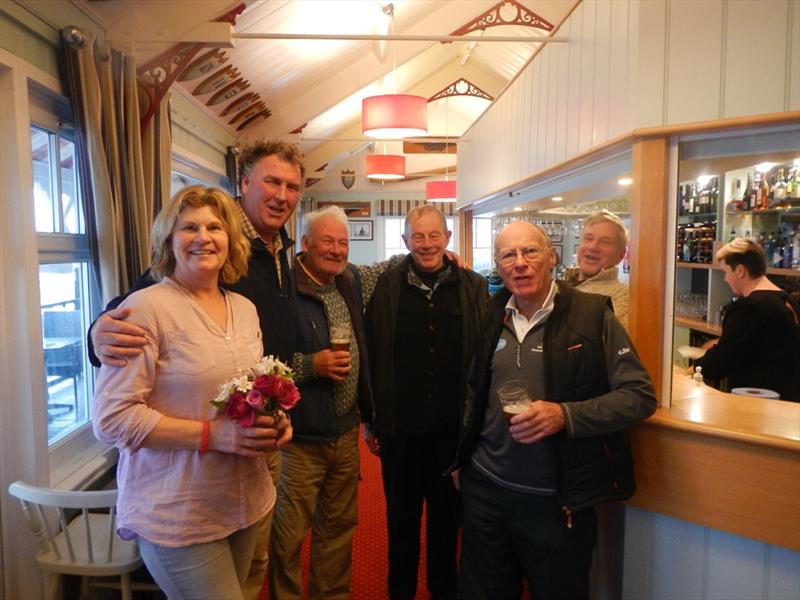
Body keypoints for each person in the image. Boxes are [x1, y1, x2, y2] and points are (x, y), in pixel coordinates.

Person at [88, 140, 304, 600]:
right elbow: (111, 419)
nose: (204, 236)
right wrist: (95, 331)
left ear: (230, 240)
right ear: (168, 239)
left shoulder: (245, 306)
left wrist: (275, 418)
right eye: (189, 227)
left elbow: (254, 384)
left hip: (247, 493)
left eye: (213, 227)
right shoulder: (146, 308)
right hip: (179, 510)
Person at [452, 220, 656, 600]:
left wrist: (565, 415)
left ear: (551, 257)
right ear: (498, 265)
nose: (520, 263)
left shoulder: (592, 316)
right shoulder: (489, 315)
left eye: (529, 252)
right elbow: (471, 392)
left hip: (556, 501)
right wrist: (461, 460)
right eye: (508, 255)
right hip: (486, 492)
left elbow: (638, 396)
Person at [365, 205, 488, 600]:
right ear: (405, 242)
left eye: (434, 235)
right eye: (418, 236)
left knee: (446, 528)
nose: (427, 243)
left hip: (452, 437)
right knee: (400, 526)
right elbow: (370, 352)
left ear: (448, 239)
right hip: (400, 433)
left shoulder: (474, 287)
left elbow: (484, 356)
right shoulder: (384, 286)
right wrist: (369, 420)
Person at [268, 206, 372, 599]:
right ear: (306, 243)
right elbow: (263, 362)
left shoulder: (349, 279)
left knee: (338, 530)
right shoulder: (283, 288)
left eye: (343, 242)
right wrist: (312, 365)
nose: (336, 250)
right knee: (289, 538)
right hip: (300, 438)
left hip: (345, 432)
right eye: (327, 241)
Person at [694, 238, 800, 401]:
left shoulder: (749, 307)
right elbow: (765, 344)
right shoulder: (788, 301)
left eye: (726, 272)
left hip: (761, 403)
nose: (725, 279)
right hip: (790, 402)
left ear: (740, 271)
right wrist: (722, 342)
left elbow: (720, 363)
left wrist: (693, 369)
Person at [564, 210, 630, 329]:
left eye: (605, 242)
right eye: (588, 239)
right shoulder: (559, 288)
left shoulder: (625, 300)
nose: (593, 247)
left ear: (620, 255)